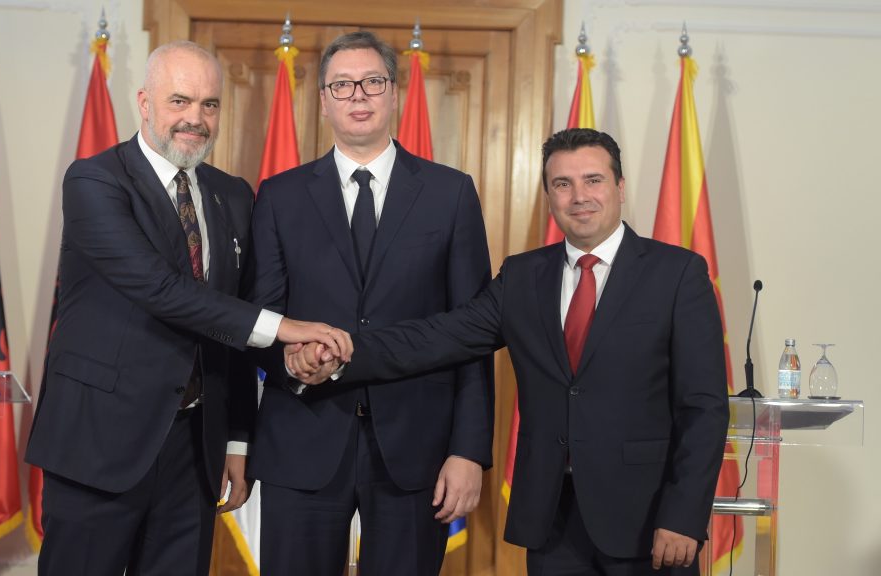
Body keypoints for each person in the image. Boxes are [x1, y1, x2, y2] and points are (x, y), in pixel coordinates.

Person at [292, 128, 730, 575]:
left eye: (593, 180)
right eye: (563, 184)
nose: (579, 196)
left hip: (649, 521)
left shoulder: (678, 274)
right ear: (549, 195)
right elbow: (437, 337)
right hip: (551, 522)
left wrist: (683, 514)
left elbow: (704, 409)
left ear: (619, 187)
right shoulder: (523, 276)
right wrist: (341, 352)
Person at [24, 41, 351, 576]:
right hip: (97, 443)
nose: (195, 119)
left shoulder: (234, 195)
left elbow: (234, 323)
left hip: (194, 449)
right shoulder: (95, 180)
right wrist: (286, 328)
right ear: (144, 102)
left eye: (209, 104)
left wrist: (238, 438)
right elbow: (160, 289)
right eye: (179, 101)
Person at [246, 31, 494, 576]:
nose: (358, 95)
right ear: (324, 101)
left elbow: (473, 330)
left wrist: (469, 449)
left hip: (417, 451)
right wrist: (290, 362)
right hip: (302, 443)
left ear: (394, 92)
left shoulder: (450, 194)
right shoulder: (279, 195)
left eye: (372, 82)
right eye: (342, 85)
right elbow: (260, 319)